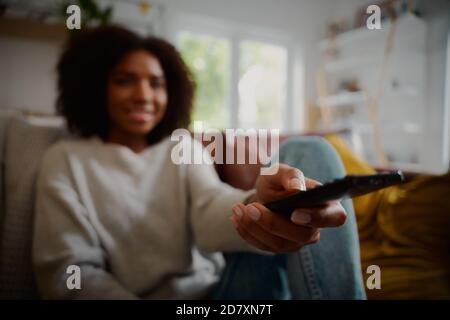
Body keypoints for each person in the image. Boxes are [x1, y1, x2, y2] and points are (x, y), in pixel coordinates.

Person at [32, 25, 366, 299]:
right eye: (125, 80)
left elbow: (209, 211)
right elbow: (69, 271)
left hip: (225, 292)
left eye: (156, 83)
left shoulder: (181, 147)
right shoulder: (66, 160)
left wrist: (259, 203)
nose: (144, 95)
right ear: (95, 88)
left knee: (312, 150)